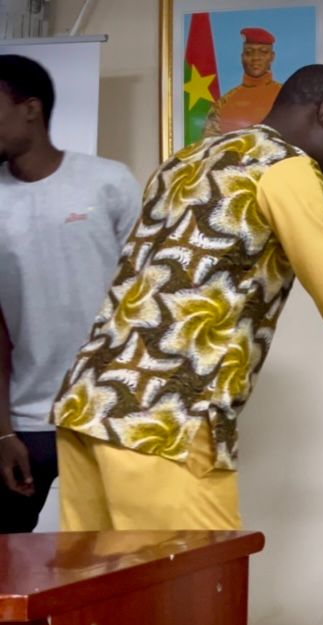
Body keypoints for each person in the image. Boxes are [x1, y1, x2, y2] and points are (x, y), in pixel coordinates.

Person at [50, 64, 323, 532]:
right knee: (199, 577)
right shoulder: (288, 168)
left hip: (88, 403)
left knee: (95, 577)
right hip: (164, 419)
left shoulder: (186, 160)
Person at [0, 54, 141, 533]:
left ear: (30, 109)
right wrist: (3, 433)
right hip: (25, 420)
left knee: (114, 554)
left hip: (107, 409)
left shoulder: (109, 182)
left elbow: (145, 300)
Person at [203, 27, 282, 137]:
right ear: (242, 57)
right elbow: (210, 143)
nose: (255, 58)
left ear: (272, 57)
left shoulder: (286, 96)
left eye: (263, 52)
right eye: (249, 52)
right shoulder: (223, 103)